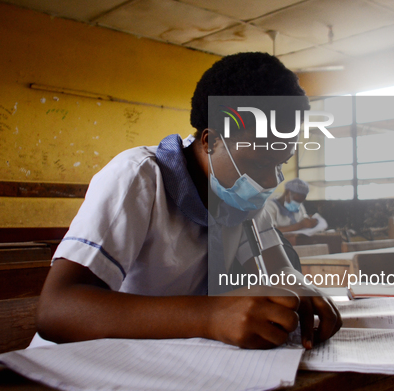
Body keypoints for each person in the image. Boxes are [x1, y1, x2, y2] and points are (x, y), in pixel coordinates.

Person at [33, 52, 342, 351]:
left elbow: (279, 271)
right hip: (84, 366)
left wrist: (300, 289)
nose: (269, 181)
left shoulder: (241, 194)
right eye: (259, 164)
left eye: (281, 162)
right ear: (210, 142)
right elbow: (57, 310)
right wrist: (210, 315)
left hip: (176, 360)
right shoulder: (139, 177)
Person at [263, 178, 328, 235]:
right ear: (287, 192)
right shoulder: (270, 207)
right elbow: (269, 231)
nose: (298, 203)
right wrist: (301, 225)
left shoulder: (299, 206)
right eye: (297, 200)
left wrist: (310, 221)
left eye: (301, 201)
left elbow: (303, 219)